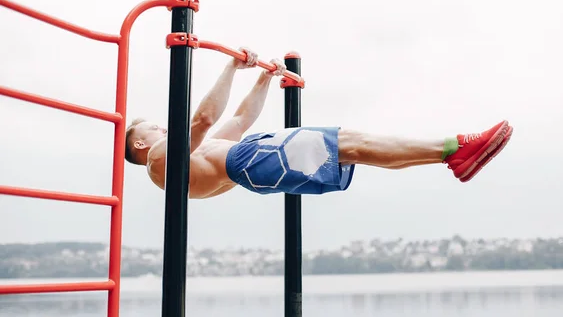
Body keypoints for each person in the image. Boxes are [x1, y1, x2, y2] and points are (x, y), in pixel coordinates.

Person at [124, 48, 513, 199]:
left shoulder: (189, 156)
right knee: (353, 142)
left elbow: (240, 118)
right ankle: (454, 147)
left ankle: (451, 156)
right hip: (250, 161)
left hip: (252, 161)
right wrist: (230, 67)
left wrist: (261, 79)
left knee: (354, 149)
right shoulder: (161, 160)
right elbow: (203, 119)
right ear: (141, 145)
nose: (161, 128)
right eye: (152, 129)